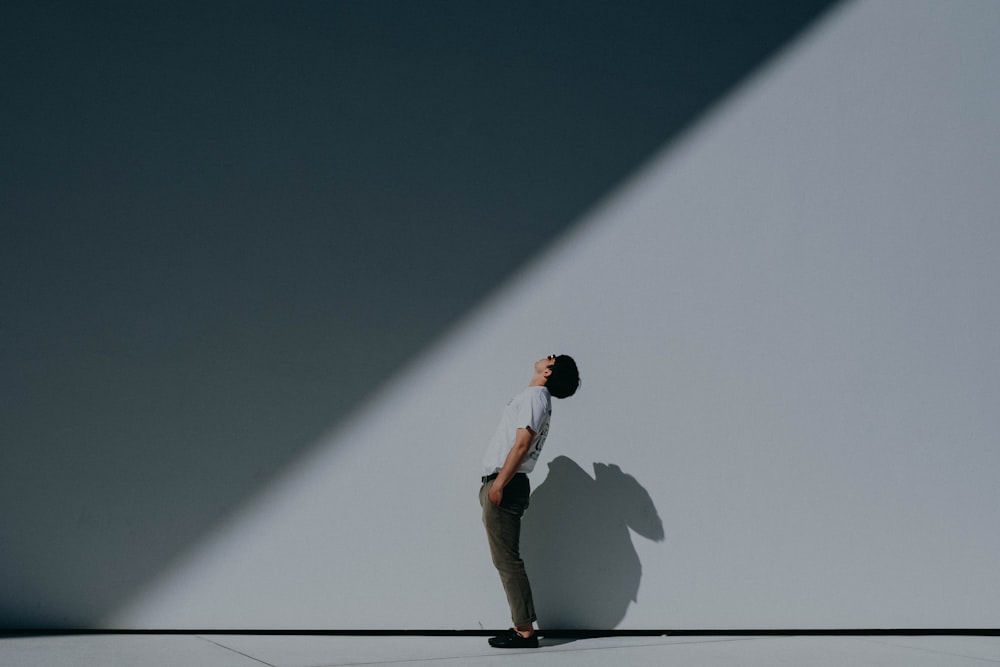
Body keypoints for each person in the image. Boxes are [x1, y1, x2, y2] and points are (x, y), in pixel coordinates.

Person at [480, 354, 580, 649]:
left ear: (549, 371)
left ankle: (524, 631)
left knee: (506, 559)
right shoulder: (535, 397)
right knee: (506, 558)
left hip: (505, 483)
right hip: (504, 482)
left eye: (550, 357)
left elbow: (522, 444)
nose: (544, 355)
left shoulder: (536, 397)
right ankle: (522, 627)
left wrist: (499, 483)